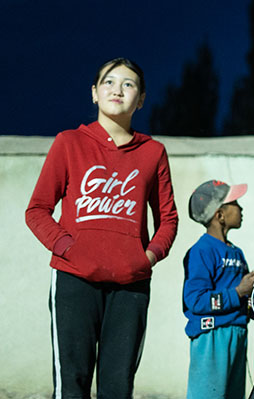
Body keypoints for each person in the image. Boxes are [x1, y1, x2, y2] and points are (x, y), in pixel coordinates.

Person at [25, 57, 179, 398]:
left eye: (128, 84)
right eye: (109, 82)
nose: (117, 89)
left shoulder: (153, 152)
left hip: (131, 287)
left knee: (117, 387)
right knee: (72, 385)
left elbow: (168, 219)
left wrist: (147, 258)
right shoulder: (69, 143)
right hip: (73, 280)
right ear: (94, 93)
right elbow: (37, 211)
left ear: (140, 99)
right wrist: (69, 249)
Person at [184, 180, 254, 398]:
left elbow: (243, 296)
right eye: (235, 203)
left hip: (237, 332)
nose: (241, 209)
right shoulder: (201, 251)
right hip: (212, 335)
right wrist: (238, 292)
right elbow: (195, 301)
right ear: (220, 215)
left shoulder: (236, 252)